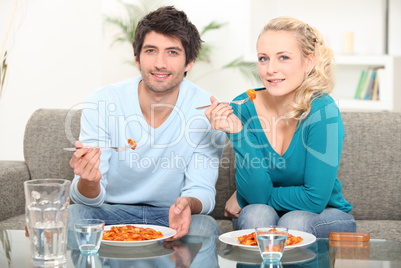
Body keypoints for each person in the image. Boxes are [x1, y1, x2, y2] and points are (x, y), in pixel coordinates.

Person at [68, 6, 226, 240]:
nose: (160, 63)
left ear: (189, 62)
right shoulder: (103, 101)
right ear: (137, 58)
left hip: (171, 213)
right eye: (151, 50)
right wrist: (89, 181)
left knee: (204, 227)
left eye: (172, 52)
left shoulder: (207, 110)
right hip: (109, 211)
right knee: (74, 214)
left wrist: (186, 204)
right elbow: (86, 199)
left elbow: (202, 192)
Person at [205, 16, 356, 238]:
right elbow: (256, 196)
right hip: (265, 212)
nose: (270, 69)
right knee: (256, 214)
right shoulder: (244, 107)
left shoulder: (323, 111)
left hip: (324, 214)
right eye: (263, 58)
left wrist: (244, 197)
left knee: (293, 220)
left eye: (283, 57)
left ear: (308, 62)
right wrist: (238, 134)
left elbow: (314, 199)